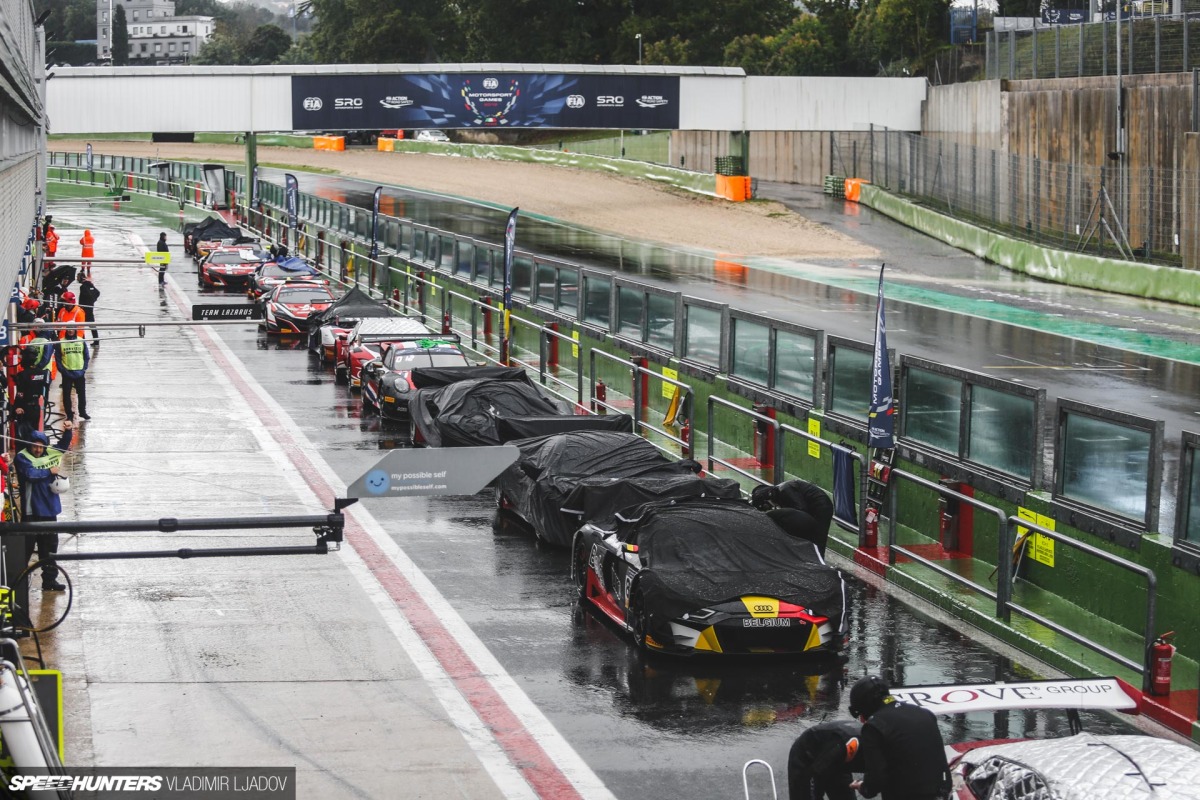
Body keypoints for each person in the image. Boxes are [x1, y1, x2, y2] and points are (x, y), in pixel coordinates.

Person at [848, 676, 951, 800]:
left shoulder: (874, 727)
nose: (861, 719)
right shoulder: (924, 712)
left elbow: (877, 777)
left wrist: (864, 787)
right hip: (941, 792)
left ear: (865, 707)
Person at [15, 421, 74, 593]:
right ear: (29, 445)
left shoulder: (50, 453)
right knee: (25, 550)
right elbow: (30, 474)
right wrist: (49, 471)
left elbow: (62, 446)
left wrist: (68, 431)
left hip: (49, 510)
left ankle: (49, 581)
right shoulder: (22, 457)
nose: (38, 450)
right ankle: (16, 582)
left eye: (41, 447)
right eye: (35, 447)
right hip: (31, 511)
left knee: (49, 549)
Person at [752, 479, 836, 556]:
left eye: (767, 507)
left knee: (819, 538)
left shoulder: (784, 490)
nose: (771, 508)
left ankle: (818, 560)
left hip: (820, 506)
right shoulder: (781, 491)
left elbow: (801, 510)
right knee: (815, 537)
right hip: (815, 506)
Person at [787, 719, 863, 800]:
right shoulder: (852, 743)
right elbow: (815, 773)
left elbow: (871, 783)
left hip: (838, 762)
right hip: (808, 757)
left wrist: (866, 787)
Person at [56, 329, 90, 421]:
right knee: (66, 394)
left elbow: (86, 356)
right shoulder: (61, 342)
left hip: (79, 372)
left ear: (75, 330)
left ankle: (82, 412)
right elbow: (58, 358)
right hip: (67, 372)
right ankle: (69, 415)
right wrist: (62, 370)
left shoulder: (81, 341)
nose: (70, 331)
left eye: (72, 329)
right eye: (69, 329)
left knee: (82, 393)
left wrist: (83, 369)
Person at [78, 276, 101, 343]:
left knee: (80, 326)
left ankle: (82, 340)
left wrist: (82, 305)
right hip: (90, 308)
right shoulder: (90, 285)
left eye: (78, 277)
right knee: (92, 326)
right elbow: (97, 292)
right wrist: (93, 300)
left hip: (84, 309)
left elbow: (84, 296)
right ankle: (96, 341)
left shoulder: (82, 287)